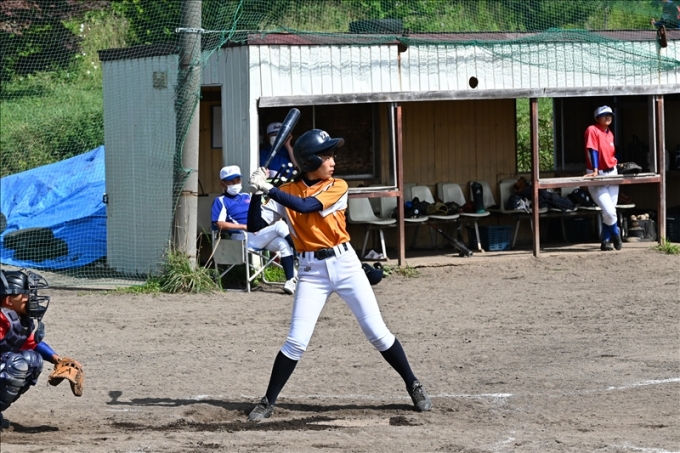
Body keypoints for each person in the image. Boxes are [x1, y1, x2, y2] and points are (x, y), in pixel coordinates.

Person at [245, 128, 431, 421]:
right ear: (309, 161)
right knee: (296, 341)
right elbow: (254, 225)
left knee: (377, 333)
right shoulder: (287, 191)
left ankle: (413, 384)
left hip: (346, 266)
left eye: (332, 155)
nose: (333, 161)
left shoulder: (337, 186)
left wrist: (268, 188)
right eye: (326, 156)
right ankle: (268, 401)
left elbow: (306, 206)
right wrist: (257, 194)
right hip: (311, 272)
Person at [0, 269, 71, 428]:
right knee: (15, 365)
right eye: (25, 294)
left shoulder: (17, 320)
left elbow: (32, 343)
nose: (30, 297)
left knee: (33, 361)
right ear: (9, 300)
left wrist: (56, 359)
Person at [211, 165, 298, 294]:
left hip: (258, 234)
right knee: (280, 226)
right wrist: (243, 227)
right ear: (223, 184)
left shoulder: (246, 196)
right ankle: (303, 252)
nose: (235, 183)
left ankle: (291, 281)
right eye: (231, 181)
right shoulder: (220, 200)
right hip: (241, 237)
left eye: (237, 180)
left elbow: (259, 213)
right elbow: (219, 224)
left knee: (282, 243)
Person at [584, 105, 622, 252]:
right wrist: (594, 169)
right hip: (598, 174)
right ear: (597, 118)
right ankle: (615, 233)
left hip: (612, 172)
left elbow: (610, 154)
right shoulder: (592, 129)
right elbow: (592, 150)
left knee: (610, 211)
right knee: (610, 212)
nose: (608, 117)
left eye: (610, 115)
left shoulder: (609, 133)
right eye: (604, 115)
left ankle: (605, 241)